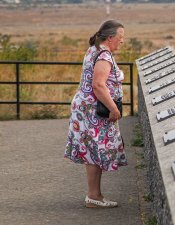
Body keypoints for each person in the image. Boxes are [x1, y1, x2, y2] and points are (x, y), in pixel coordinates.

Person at [64, 20, 127, 208]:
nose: (122, 41)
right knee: (94, 152)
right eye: (120, 37)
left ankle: (95, 196)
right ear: (110, 38)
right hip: (94, 111)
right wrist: (114, 109)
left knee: (92, 151)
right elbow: (98, 85)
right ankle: (93, 196)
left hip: (86, 109)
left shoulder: (94, 49)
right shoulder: (104, 56)